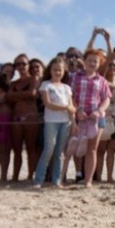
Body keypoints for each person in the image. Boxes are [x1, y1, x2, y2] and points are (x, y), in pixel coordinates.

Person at [70, 49, 111, 188]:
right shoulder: (76, 77)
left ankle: (88, 181)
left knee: (92, 149)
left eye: (96, 61)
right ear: (84, 61)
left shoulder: (102, 80)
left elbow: (107, 99)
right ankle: (74, 174)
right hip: (79, 116)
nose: (92, 63)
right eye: (90, 60)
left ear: (99, 64)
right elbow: (70, 96)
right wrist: (77, 110)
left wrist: (99, 110)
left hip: (96, 118)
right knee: (76, 146)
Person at [32, 57, 75, 188]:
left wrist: (73, 122)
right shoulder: (46, 85)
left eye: (60, 70)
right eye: (55, 70)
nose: (57, 72)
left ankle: (56, 180)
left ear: (64, 71)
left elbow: (71, 106)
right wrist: (66, 108)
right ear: (50, 70)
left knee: (59, 152)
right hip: (51, 121)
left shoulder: (67, 87)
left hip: (65, 122)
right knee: (48, 149)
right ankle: (38, 179)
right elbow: (48, 104)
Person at [6, 54, 40, 182]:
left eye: (23, 64)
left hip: (31, 116)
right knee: (17, 149)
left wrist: (15, 95)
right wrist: (23, 95)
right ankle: (15, 176)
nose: (21, 66)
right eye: (18, 64)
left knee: (31, 147)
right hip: (17, 116)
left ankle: (31, 175)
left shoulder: (34, 79)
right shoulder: (14, 83)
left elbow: (33, 94)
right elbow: (8, 97)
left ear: (28, 65)